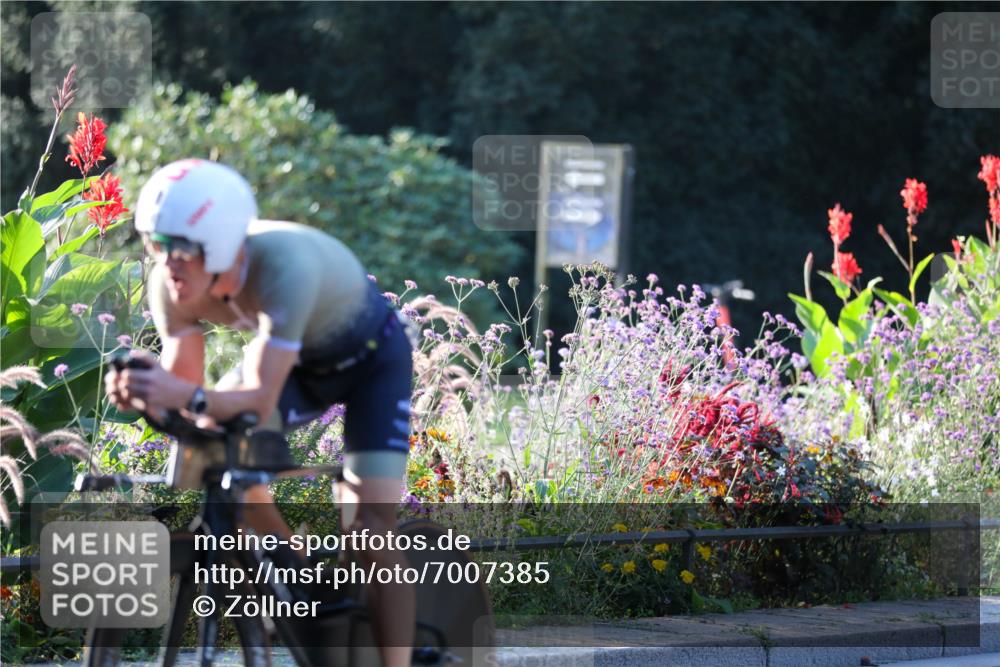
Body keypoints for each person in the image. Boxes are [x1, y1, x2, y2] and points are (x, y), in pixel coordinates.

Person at [104, 158, 415, 667]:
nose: (168, 263)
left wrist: (183, 394)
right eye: (155, 244)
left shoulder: (284, 265)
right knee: (214, 446)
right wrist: (147, 394)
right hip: (297, 362)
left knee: (369, 529)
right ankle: (299, 576)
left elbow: (259, 399)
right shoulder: (170, 281)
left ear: (224, 244)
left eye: (181, 247)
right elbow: (187, 389)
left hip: (372, 363)